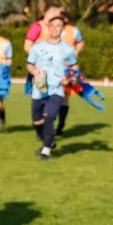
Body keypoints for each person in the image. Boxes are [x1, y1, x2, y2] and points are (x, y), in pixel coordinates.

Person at [24, 6, 83, 136]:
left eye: (63, 16)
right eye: (59, 14)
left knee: (63, 97)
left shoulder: (73, 30)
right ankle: (42, 127)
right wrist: (40, 61)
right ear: (50, 13)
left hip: (63, 70)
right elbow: (27, 46)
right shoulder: (38, 27)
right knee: (40, 100)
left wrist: (74, 55)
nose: (61, 17)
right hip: (41, 71)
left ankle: (59, 126)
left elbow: (80, 43)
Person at [26, 15, 78, 161]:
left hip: (56, 89)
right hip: (39, 88)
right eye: (52, 25)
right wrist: (34, 71)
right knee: (37, 121)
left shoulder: (68, 49)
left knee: (49, 117)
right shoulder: (37, 47)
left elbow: (74, 67)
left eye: (58, 26)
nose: (55, 28)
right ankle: (48, 141)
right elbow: (29, 64)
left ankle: (46, 151)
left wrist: (70, 77)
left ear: (62, 29)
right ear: (48, 27)